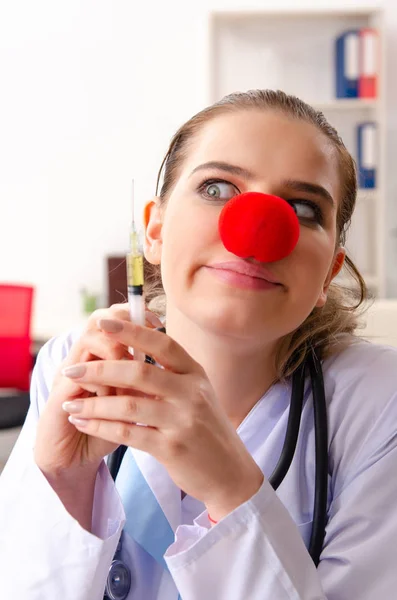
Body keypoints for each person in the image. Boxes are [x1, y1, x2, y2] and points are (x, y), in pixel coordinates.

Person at [1, 89, 396, 600]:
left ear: (328, 274)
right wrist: (65, 485)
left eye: (302, 208)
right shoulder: (77, 363)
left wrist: (233, 491)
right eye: (217, 188)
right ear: (155, 230)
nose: (256, 230)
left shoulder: (379, 402)